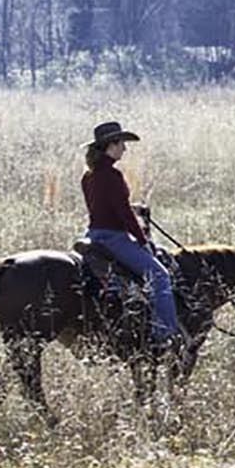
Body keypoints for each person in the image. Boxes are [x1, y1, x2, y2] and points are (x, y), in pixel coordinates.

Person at [81, 119, 179, 346]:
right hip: (113, 237)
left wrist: (133, 208)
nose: (124, 149)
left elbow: (102, 207)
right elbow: (122, 214)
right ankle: (165, 335)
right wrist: (143, 240)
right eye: (121, 144)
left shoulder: (89, 175)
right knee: (160, 276)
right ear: (111, 146)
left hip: (92, 234)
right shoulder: (112, 175)